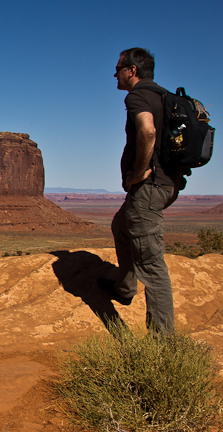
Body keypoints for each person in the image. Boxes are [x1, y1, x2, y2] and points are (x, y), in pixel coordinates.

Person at [99, 47, 181, 334]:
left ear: (131, 70)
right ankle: (124, 287)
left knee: (152, 265)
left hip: (150, 186)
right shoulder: (163, 95)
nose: (115, 75)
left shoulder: (137, 96)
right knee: (122, 224)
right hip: (168, 185)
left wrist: (139, 172)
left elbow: (147, 131)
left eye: (118, 69)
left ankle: (163, 345)